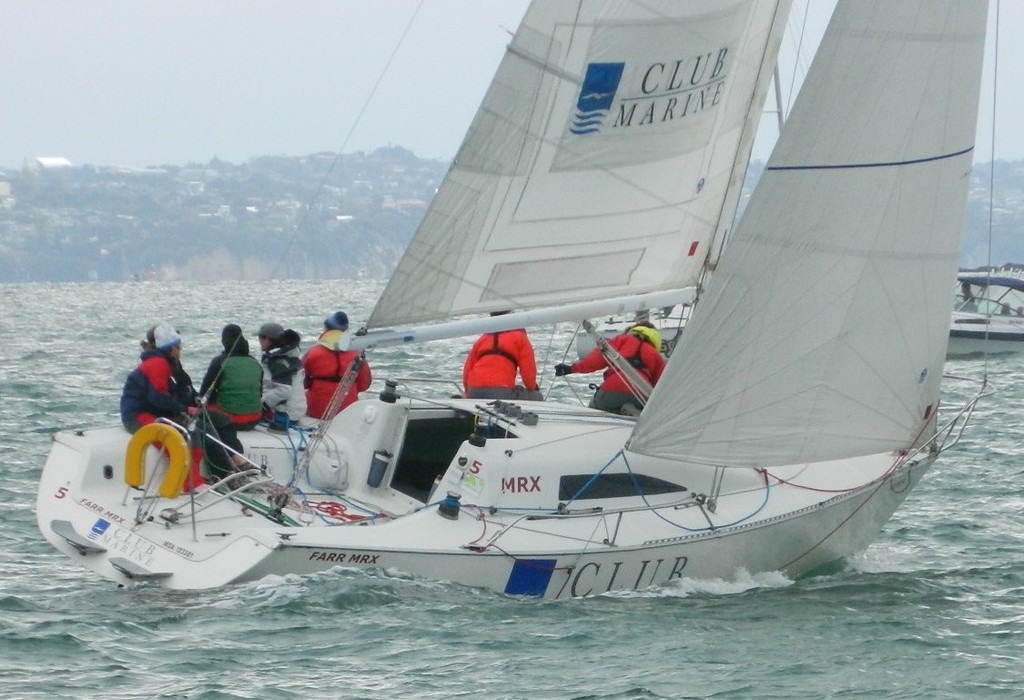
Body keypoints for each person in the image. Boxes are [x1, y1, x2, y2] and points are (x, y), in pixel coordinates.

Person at [196, 324, 264, 478]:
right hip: (254, 419)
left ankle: (230, 463)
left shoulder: (220, 362)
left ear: (224, 341)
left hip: (230, 420)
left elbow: (205, 395)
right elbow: (259, 393)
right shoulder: (255, 363)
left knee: (205, 412)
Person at [554, 323, 666, 415]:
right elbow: (662, 385)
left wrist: (571, 369)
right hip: (642, 395)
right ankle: (632, 413)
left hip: (612, 390)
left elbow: (595, 360)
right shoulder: (656, 356)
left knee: (595, 410)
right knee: (644, 412)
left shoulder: (621, 340)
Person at [121, 323, 195, 433]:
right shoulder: (157, 365)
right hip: (137, 415)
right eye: (179, 346)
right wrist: (185, 409)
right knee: (174, 434)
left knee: (194, 429)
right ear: (171, 348)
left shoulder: (167, 363)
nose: (181, 349)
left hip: (153, 410)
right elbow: (158, 397)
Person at [303, 311, 372, 419]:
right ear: (345, 331)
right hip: (348, 412)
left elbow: (302, 383)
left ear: (326, 329)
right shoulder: (357, 354)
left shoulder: (313, 353)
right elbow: (364, 385)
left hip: (316, 411)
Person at [462, 311, 540, 400]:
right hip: (501, 391)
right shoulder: (520, 338)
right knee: (537, 397)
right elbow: (528, 374)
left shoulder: (482, 339)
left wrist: (467, 393)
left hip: (474, 390)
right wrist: (533, 388)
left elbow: (467, 371)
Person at [257, 321, 307, 427]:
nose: (259, 340)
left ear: (268, 340)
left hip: (286, 414)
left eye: (261, 337)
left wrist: (262, 404)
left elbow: (285, 390)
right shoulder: (291, 357)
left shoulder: (278, 362)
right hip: (297, 410)